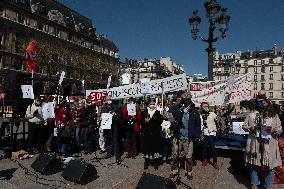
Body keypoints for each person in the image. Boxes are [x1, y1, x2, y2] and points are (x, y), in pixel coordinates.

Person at [242, 90, 283, 189]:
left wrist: (273, 130)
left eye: (263, 98)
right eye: (259, 99)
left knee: (270, 165)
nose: (261, 102)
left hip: (269, 143)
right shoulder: (251, 113)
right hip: (254, 142)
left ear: (266, 100)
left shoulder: (274, 114)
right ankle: (254, 183)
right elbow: (244, 126)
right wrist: (251, 128)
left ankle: (268, 185)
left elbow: (280, 129)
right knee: (254, 164)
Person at [169, 92, 201, 180]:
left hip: (188, 137)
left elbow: (198, 124)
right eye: (184, 100)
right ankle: (174, 170)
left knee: (189, 156)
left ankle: (189, 171)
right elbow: (169, 114)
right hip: (177, 136)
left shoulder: (194, 110)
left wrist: (196, 134)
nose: (185, 101)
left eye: (187, 100)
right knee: (175, 155)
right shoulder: (178, 108)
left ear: (190, 100)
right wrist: (174, 124)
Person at [141, 99, 163, 170]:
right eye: (151, 104)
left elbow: (160, 122)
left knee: (155, 148)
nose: (152, 105)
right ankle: (146, 163)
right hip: (147, 133)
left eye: (153, 104)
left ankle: (155, 163)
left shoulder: (157, 112)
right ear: (148, 105)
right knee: (147, 149)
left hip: (155, 133)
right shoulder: (144, 112)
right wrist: (145, 121)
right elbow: (141, 123)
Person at [200, 102, 219, 169]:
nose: (205, 107)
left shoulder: (212, 113)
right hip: (204, 132)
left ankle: (215, 162)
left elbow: (217, 121)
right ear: (201, 107)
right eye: (204, 106)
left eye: (206, 106)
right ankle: (205, 160)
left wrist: (216, 129)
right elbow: (200, 125)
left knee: (212, 147)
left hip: (211, 132)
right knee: (204, 147)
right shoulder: (200, 115)